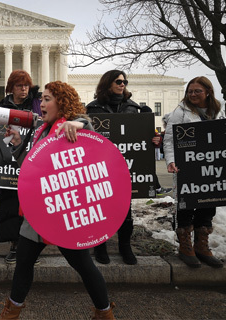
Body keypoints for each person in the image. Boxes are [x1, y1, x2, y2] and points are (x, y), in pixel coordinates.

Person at [0, 81, 115, 320]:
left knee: (83, 265)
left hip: (65, 212)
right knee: (24, 263)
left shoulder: (72, 127)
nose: (42, 104)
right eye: (43, 99)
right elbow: (31, 168)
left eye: (48, 99)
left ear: (62, 103)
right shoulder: (44, 130)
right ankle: (11, 312)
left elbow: (89, 130)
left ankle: (105, 313)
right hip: (40, 211)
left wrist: (78, 123)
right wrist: (18, 145)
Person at [163, 76, 224, 269]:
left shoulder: (218, 111)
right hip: (187, 166)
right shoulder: (180, 112)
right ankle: (185, 247)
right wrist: (171, 160)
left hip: (212, 165)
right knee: (187, 204)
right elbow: (170, 138)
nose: (193, 94)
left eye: (197, 91)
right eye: (190, 91)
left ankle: (202, 246)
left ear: (208, 91)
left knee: (208, 204)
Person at [86, 70, 140, 265]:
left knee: (125, 210)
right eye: (118, 81)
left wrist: (153, 139)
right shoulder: (93, 108)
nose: (122, 84)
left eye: (125, 81)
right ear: (108, 83)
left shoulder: (133, 108)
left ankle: (125, 246)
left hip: (125, 166)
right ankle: (100, 246)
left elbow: (138, 137)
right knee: (100, 207)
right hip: (101, 166)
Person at [0, 69, 42, 264]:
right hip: (9, 162)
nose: (24, 89)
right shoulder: (2, 107)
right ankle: (14, 245)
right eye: (19, 86)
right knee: (10, 204)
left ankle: (31, 248)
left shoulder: (37, 104)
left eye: (26, 85)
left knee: (31, 206)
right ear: (11, 88)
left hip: (32, 161)